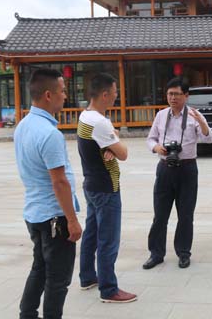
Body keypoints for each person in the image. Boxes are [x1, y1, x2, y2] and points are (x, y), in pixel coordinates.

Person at [14, 68, 82, 319]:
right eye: (62, 91)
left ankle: (27, 314)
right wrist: (72, 220)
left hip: (34, 213)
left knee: (40, 268)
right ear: (48, 95)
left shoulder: (23, 126)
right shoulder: (49, 133)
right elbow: (59, 182)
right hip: (55, 216)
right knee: (58, 279)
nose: (65, 96)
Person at [143, 77, 212, 270]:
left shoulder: (194, 115)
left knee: (185, 215)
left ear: (186, 95)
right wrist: (157, 148)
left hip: (187, 169)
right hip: (165, 168)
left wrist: (202, 123)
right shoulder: (161, 115)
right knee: (160, 215)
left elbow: (209, 139)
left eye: (177, 94)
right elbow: (150, 139)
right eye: (170, 94)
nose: (173, 98)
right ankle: (156, 253)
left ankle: (183, 253)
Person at [77, 73, 136, 303]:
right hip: (106, 187)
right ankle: (109, 289)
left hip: (91, 185)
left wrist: (111, 144)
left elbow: (105, 145)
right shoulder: (101, 123)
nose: (116, 96)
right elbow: (124, 154)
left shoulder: (85, 116)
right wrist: (115, 143)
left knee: (91, 234)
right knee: (108, 240)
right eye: (114, 92)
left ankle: (87, 277)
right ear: (104, 94)